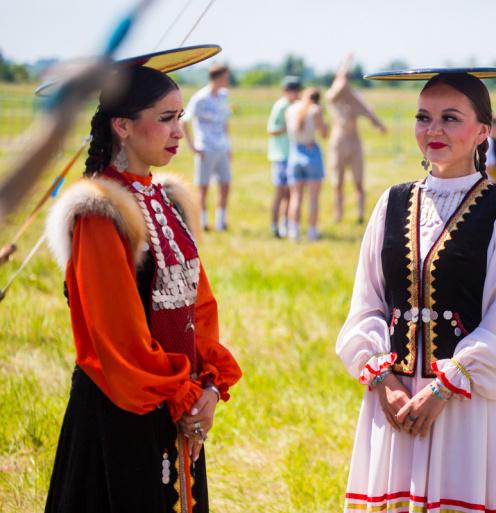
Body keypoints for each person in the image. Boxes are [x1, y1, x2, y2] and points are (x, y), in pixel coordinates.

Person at [43, 60, 242, 512]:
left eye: (180, 118)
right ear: (123, 126)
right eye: (166, 118)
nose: (179, 131)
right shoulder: (101, 210)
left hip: (178, 403)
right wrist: (180, 393)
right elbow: (116, 332)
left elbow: (199, 304)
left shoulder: (166, 199)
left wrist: (208, 386)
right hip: (123, 407)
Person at [336, 70, 496, 513]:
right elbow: (367, 303)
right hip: (394, 401)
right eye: (423, 117)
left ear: (483, 130)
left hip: (463, 406)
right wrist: (384, 380)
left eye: (450, 118)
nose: (434, 130)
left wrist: (445, 387)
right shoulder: (391, 203)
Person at [326, 54, 386, 224]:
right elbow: (340, 83)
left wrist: (378, 124)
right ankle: (338, 215)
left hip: (354, 142)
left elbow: (366, 110)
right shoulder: (332, 95)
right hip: (338, 141)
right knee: (337, 182)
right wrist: (347, 62)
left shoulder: (353, 97)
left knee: (359, 181)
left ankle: (360, 215)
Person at [182, 63, 232, 231]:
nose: (227, 80)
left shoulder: (224, 95)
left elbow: (225, 121)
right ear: (217, 78)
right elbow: (184, 121)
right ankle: (202, 222)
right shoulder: (200, 98)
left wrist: (229, 146)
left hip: (221, 147)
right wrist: (192, 146)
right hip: (206, 148)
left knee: (225, 184)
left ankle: (220, 222)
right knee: (203, 187)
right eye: (225, 77)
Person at [285, 87, 328, 240]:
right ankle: (312, 231)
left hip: (295, 151)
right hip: (311, 152)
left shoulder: (291, 108)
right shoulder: (315, 110)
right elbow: (324, 133)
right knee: (313, 197)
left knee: (296, 196)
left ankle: (294, 231)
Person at [267, 75, 302, 238]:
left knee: (289, 193)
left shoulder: (295, 106)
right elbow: (272, 129)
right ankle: (274, 225)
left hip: (291, 154)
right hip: (281, 155)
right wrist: (288, 128)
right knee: (280, 192)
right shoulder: (281, 107)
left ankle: (285, 223)